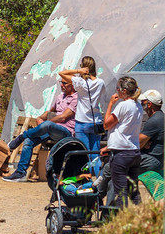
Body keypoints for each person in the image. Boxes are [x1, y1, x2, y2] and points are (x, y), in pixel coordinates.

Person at [3, 74, 79, 181]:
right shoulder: (60, 97)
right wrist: (40, 118)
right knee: (29, 141)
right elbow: (50, 111)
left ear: (73, 85)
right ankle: (21, 173)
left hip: (65, 132)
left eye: (64, 83)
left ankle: (21, 137)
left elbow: (62, 117)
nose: (61, 85)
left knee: (47, 125)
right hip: (51, 130)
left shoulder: (76, 98)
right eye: (60, 82)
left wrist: (45, 123)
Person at [101, 75, 143, 206]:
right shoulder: (138, 106)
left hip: (121, 155)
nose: (116, 91)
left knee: (121, 192)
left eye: (117, 88)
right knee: (133, 191)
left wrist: (110, 104)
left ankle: (122, 222)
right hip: (134, 151)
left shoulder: (123, 105)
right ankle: (143, 218)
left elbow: (107, 124)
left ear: (123, 91)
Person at [59, 57, 107, 152]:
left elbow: (61, 73)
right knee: (95, 152)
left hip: (81, 121)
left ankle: (85, 167)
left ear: (83, 67)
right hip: (95, 121)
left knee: (83, 153)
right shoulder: (101, 82)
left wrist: (78, 71)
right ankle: (96, 167)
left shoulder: (80, 82)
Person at [138, 89, 162, 176]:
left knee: (117, 165)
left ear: (149, 104)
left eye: (142, 103)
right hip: (156, 159)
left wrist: (143, 144)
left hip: (151, 160)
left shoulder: (154, 120)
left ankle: (101, 189)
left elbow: (138, 144)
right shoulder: (160, 117)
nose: (141, 105)